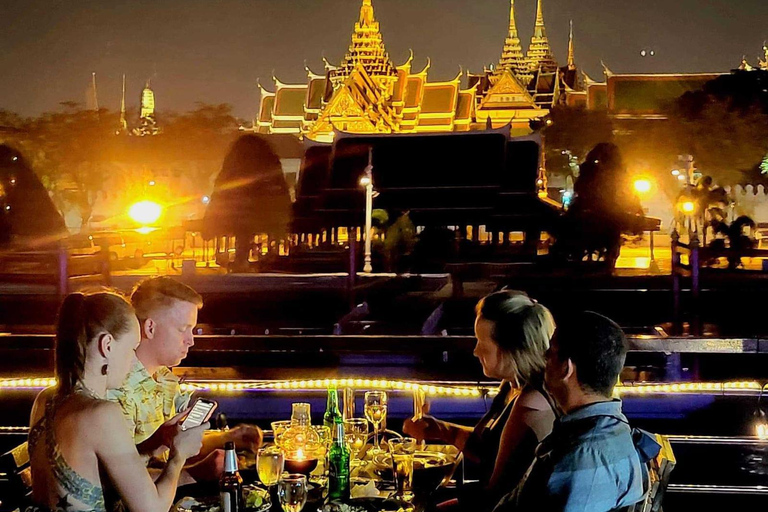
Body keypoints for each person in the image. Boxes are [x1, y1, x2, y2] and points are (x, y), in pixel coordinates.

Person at [28, 291, 207, 512]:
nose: (133, 361)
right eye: (132, 348)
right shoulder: (101, 413)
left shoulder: (45, 399)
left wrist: (152, 445)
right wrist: (179, 456)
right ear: (107, 346)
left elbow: (93, 470)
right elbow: (152, 510)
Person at [404, 291, 556, 508]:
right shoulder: (512, 385)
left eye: (482, 343)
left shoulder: (530, 404)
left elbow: (496, 496)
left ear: (512, 350)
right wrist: (438, 429)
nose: (475, 351)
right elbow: (486, 448)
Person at [107, 276, 262, 482]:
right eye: (183, 329)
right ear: (150, 328)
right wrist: (193, 474)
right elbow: (118, 480)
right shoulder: (117, 390)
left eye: (192, 329)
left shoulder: (163, 378)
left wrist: (225, 438)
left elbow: (169, 447)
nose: (191, 340)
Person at [494, 311, 645, 512]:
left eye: (550, 353)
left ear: (566, 368)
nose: (544, 359)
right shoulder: (612, 426)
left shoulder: (583, 455)